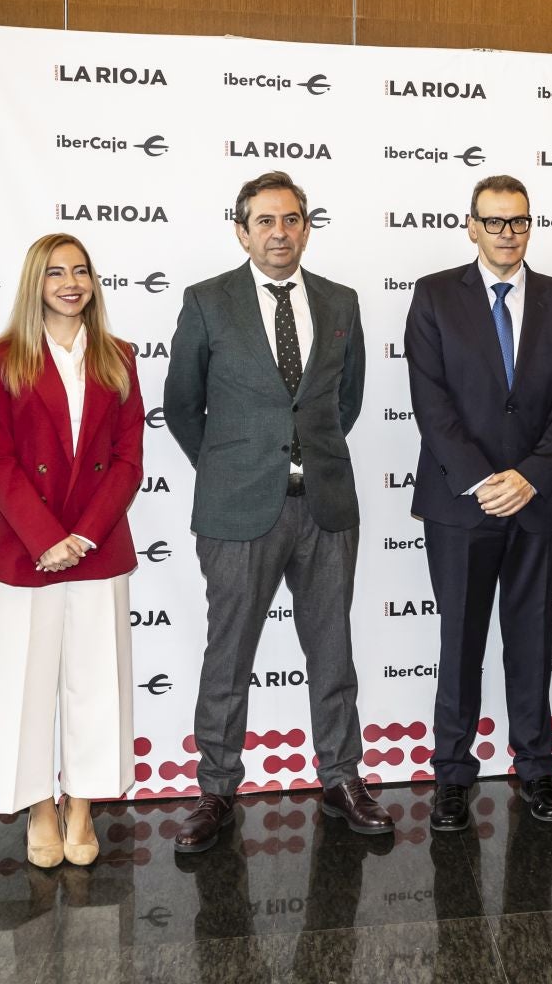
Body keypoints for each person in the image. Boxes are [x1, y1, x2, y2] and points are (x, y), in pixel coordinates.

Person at [163, 170, 390, 848]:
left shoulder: (340, 301)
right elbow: (181, 404)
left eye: (291, 219)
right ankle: (215, 790)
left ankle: (342, 776)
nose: (280, 232)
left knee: (331, 651)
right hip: (237, 511)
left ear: (307, 227)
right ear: (242, 230)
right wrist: (232, 466)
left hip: (324, 505)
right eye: (265, 221)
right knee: (229, 654)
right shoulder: (207, 302)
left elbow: (343, 403)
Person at [405, 175, 552, 831]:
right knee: (460, 642)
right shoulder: (433, 296)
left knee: (531, 639)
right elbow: (432, 404)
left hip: (536, 502)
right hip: (462, 502)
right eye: (495, 221)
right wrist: (487, 479)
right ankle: (452, 776)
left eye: (519, 221)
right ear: (471, 226)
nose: (508, 232)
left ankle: (537, 769)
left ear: (529, 226)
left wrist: (531, 476)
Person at [0, 233, 145, 867]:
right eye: (56, 272)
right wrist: (47, 538)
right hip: (25, 547)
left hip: (96, 544)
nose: (71, 282)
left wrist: (85, 534)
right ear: (35, 281)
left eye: (82, 271)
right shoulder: (4, 357)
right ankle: (39, 806)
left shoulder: (118, 356)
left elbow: (127, 460)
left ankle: (83, 805)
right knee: (23, 683)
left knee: (97, 682)